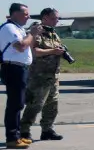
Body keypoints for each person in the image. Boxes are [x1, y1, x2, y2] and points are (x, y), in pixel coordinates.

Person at [1, 3, 42, 149]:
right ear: (15, 14)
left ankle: (16, 135)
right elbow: (20, 46)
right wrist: (31, 33)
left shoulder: (18, 28)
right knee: (15, 104)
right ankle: (12, 138)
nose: (28, 17)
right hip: (13, 68)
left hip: (20, 68)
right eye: (25, 14)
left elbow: (28, 46)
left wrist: (33, 35)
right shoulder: (9, 28)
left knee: (18, 103)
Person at [20, 8, 65, 141]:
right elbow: (34, 52)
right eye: (53, 18)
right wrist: (53, 51)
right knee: (35, 105)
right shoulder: (37, 31)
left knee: (52, 105)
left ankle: (47, 130)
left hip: (53, 76)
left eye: (57, 18)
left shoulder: (53, 33)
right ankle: (24, 130)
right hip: (39, 77)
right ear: (44, 18)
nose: (56, 21)